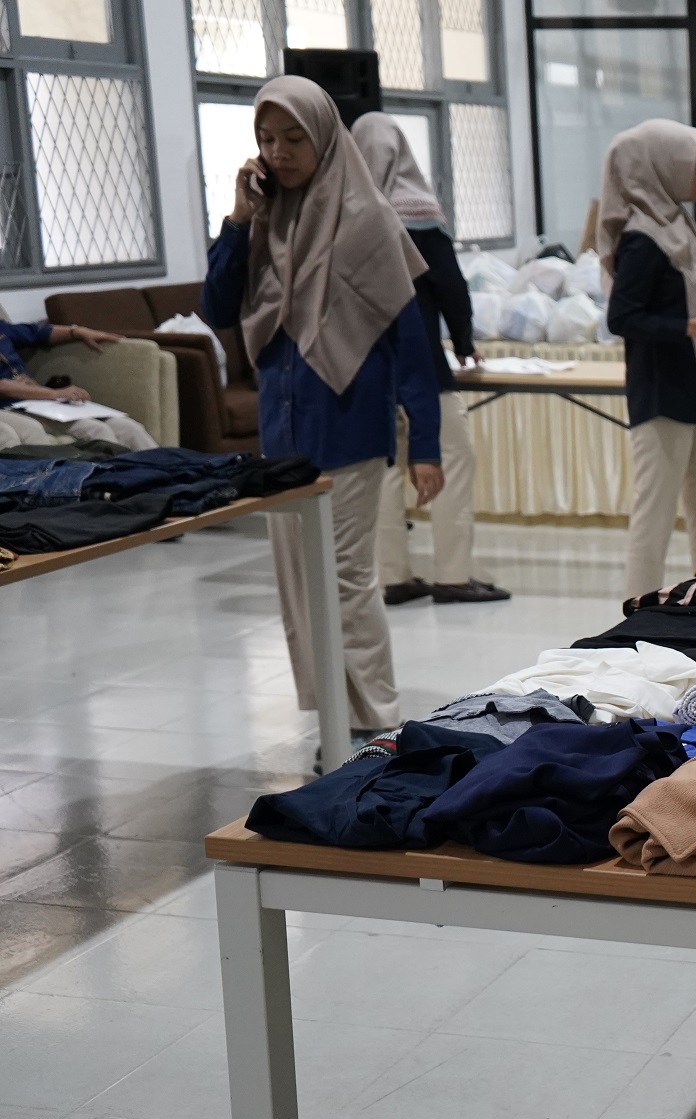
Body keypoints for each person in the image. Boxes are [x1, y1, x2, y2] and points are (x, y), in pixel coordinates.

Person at [202, 75, 443, 747]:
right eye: (265, 139)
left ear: (325, 138)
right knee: (301, 585)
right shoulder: (263, 223)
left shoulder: (367, 220)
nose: (278, 152)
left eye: (293, 138)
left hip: (350, 426)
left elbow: (411, 347)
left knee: (346, 579)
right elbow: (217, 309)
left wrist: (426, 444)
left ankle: (375, 721)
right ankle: (335, 721)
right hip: (282, 433)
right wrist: (237, 220)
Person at [350, 112, 511, 606]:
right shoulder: (417, 210)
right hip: (419, 361)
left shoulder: (345, 213)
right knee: (453, 459)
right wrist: (463, 343)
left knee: (385, 470)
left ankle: (392, 577)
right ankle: (453, 575)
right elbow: (450, 287)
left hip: (363, 367)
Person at [599, 119, 696, 603]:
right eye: (691, 165)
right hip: (663, 394)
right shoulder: (642, 238)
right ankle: (637, 613)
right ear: (659, 168)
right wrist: (689, 328)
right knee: (654, 515)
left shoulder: (680, 227)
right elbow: (622, 317)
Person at [0, 320, 160, 453]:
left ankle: (167, 472)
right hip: (13, 406)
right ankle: (120, 478)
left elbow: (39, 333)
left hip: (40, 403)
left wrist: (77, 331)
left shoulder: (3, 328)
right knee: (96, 430)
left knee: (129, 427)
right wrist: (54, 393)